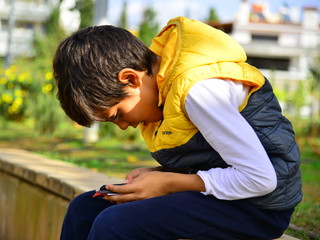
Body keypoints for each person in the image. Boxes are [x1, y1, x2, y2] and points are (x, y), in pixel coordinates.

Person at [53, 16, 302, 240]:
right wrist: (159, 173)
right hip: (228, 194)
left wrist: (169, 182)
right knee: (84, 208)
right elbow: (214, 155)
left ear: (131, 79)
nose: (123, 126)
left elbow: (260, 179)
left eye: (117, 114)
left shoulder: (199, 91)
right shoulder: (165, 86)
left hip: (258, 207)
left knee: (115, 223)